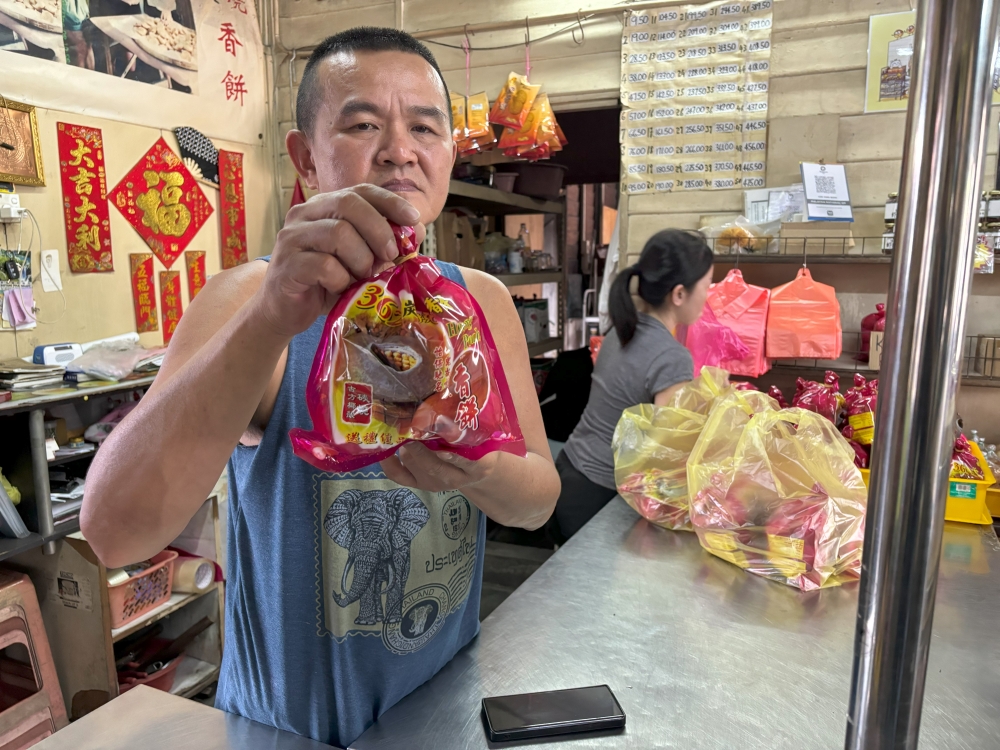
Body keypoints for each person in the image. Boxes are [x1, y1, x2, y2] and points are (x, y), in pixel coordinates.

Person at [81, 27, 560, 749]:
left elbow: (539, 499)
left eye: (424, 127)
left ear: (448, 154)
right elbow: (114, 532)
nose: (400, 149)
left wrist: (479, 470)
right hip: (289, 730)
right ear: (306, 157)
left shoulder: (483, 304)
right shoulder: (249, 298)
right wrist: (273, 315)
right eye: (364, 124)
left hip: (443, 713)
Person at [549, 230, 713, 542]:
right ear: (679, 294)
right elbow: (667, 454)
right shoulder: (672, 357)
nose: (709, 295)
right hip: (598, 496)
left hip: (569, 470)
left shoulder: (621, 330)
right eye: (707, 287)